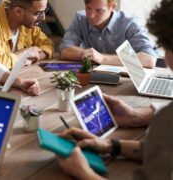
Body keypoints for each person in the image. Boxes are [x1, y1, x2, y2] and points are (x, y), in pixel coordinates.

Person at [56, 0, 173, 179]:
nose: (165, 56)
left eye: (166, 46)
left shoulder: (165, 123)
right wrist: (113, 145)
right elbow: (161, 152)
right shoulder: (165, 121)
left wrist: (84, 173)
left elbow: (149, 59)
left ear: (112, 7)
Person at [59, 0, 157, 68]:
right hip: (92, 78)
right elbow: (65, 49)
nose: (91, 16)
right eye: (88, 8)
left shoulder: (130, 24)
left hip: (124, 84)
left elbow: (149, 59)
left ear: (113, 7)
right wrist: (86, 54)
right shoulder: (80, 18)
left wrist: (102, 58)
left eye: (99, 10)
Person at [0, 0, 54, 69]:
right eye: (37, 13)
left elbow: (47, 45)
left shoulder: (28, 25)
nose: (43, 18)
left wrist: (34, 56)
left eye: (45, 11)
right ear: (18, 11)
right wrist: (25, 53)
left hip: (16, 79)